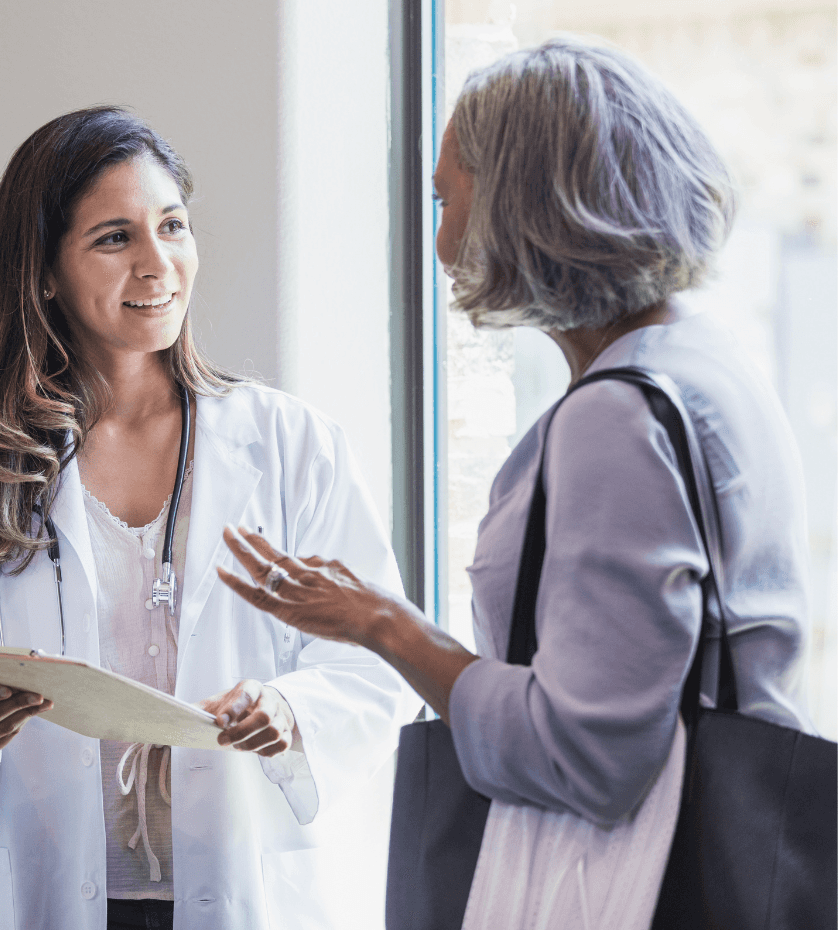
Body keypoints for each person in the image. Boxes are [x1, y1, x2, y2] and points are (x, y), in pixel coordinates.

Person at [218, 38, 814, 927]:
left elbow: (590, 756)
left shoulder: (618, 417)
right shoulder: (704, 366)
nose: (440, 239)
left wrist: (386, 626)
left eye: (445, 199)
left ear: (521, 204)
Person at [0, 106, 416, 930]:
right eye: (114, 238)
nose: (158, 264)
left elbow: (378, 663)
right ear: (44, 272)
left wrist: (291, 709)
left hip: (246, 888)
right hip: (59, 894)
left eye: (173, 226)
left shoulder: (290, 444)